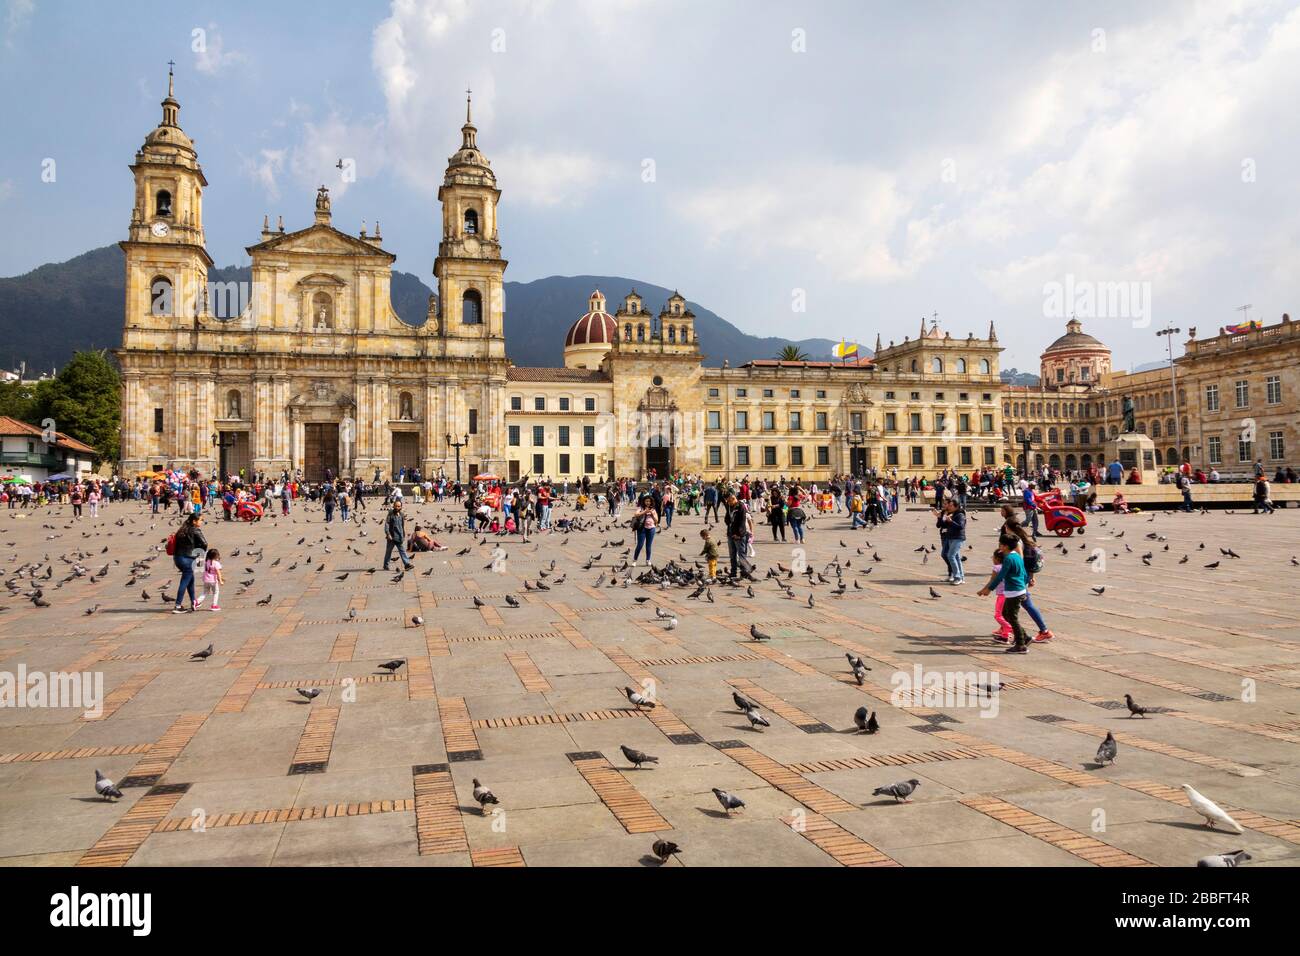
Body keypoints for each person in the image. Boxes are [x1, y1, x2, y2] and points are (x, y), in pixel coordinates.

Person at [978, 534, 1031, 653]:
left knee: (1012, 618)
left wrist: (989, 589)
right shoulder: (1017, 556)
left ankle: (1021, 645)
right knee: (1005, 614)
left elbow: (1001, 576)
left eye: (1001, 544)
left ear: (1006, 546)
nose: (999, 546)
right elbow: (1023, 571)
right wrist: (1027, 582)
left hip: (1014, 591)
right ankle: (1024, 637)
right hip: (1019, 589)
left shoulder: (1008, 559)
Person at [171, 513, 208, 614]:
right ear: (194, 521)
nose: (201, 522)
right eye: (200, 520)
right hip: (188, 559)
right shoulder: (195, 530)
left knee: (190, 580)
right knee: (184, 582)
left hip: (178, 558)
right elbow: (204, 543)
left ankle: (193, 602)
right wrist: (200, 553)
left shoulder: (182, 529)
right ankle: (178, 605)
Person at [936, 498, 966, 584]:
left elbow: (960, 526)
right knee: (955, 557)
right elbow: (941, 525)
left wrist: (951, 521)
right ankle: (961, 577)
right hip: (950, 536)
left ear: (956, 506)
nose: (949, 506)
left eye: (950, 505)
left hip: (957, 537)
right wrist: (940, 518)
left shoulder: (960, 514)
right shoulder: (951, 513)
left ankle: (957, 577)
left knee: (950, 556)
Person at [383, 500, 414, 571]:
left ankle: (407, 564)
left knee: (402, 550)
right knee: (388, 551)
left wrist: (403, 534)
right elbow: (387, 524)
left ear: (401, 507)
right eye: (396, 506)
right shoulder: (390, 514)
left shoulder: (402, 514)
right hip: (392, 536)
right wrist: (388, 534)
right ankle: (386, 565)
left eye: (399, 506)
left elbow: (402, 525)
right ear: (393, 506)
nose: (397, 507)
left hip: (399, 536)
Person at [631, 497, 657, 566]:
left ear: (651, 502)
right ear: (644, 502)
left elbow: (656, 521)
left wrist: (652, 514)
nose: (648, 503)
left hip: (651, 529)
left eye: (649, 501)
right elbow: (636, 514)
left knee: (648, 545)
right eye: (646, 501)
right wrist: (644, 512)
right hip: (642, 528)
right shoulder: (641, 508)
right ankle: (634, 560)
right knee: (640, 545)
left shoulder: (653, 510)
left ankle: (648, 560)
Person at [201, 547, 224, 611]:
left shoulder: (206, 562)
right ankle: (214, 605)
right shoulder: (216, 563)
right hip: (213, 581)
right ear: (216, 556)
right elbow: (218, 573)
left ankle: (196, 602)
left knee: (204, 593)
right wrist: (221, 581)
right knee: (216, 592)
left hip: (206, 580)